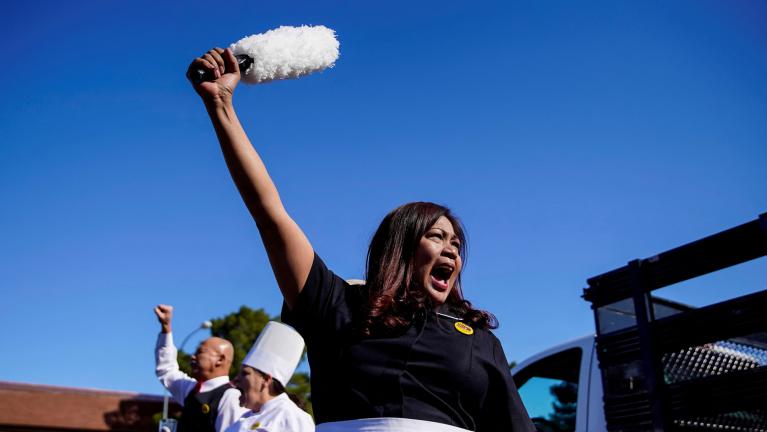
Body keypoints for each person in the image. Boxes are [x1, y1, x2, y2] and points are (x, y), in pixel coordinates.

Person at [187, 48, 534, 431]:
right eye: (437, 236)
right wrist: (221, 106)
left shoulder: (478, 338)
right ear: (400, 248)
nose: (452, 249)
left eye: (456, 244)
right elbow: (270, 214)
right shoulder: (337, 305)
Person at [154, 304, 248, 432]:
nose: (193, 357)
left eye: (200, 352)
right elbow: (166, 370)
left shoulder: (231, 397)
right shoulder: (191, 389)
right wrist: (166, 328)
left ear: (220, 360)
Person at [225, 321, 314, 432]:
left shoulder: (293, 417)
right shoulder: (240, 421)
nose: (236, 379)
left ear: (266, 380)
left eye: (245, 373)